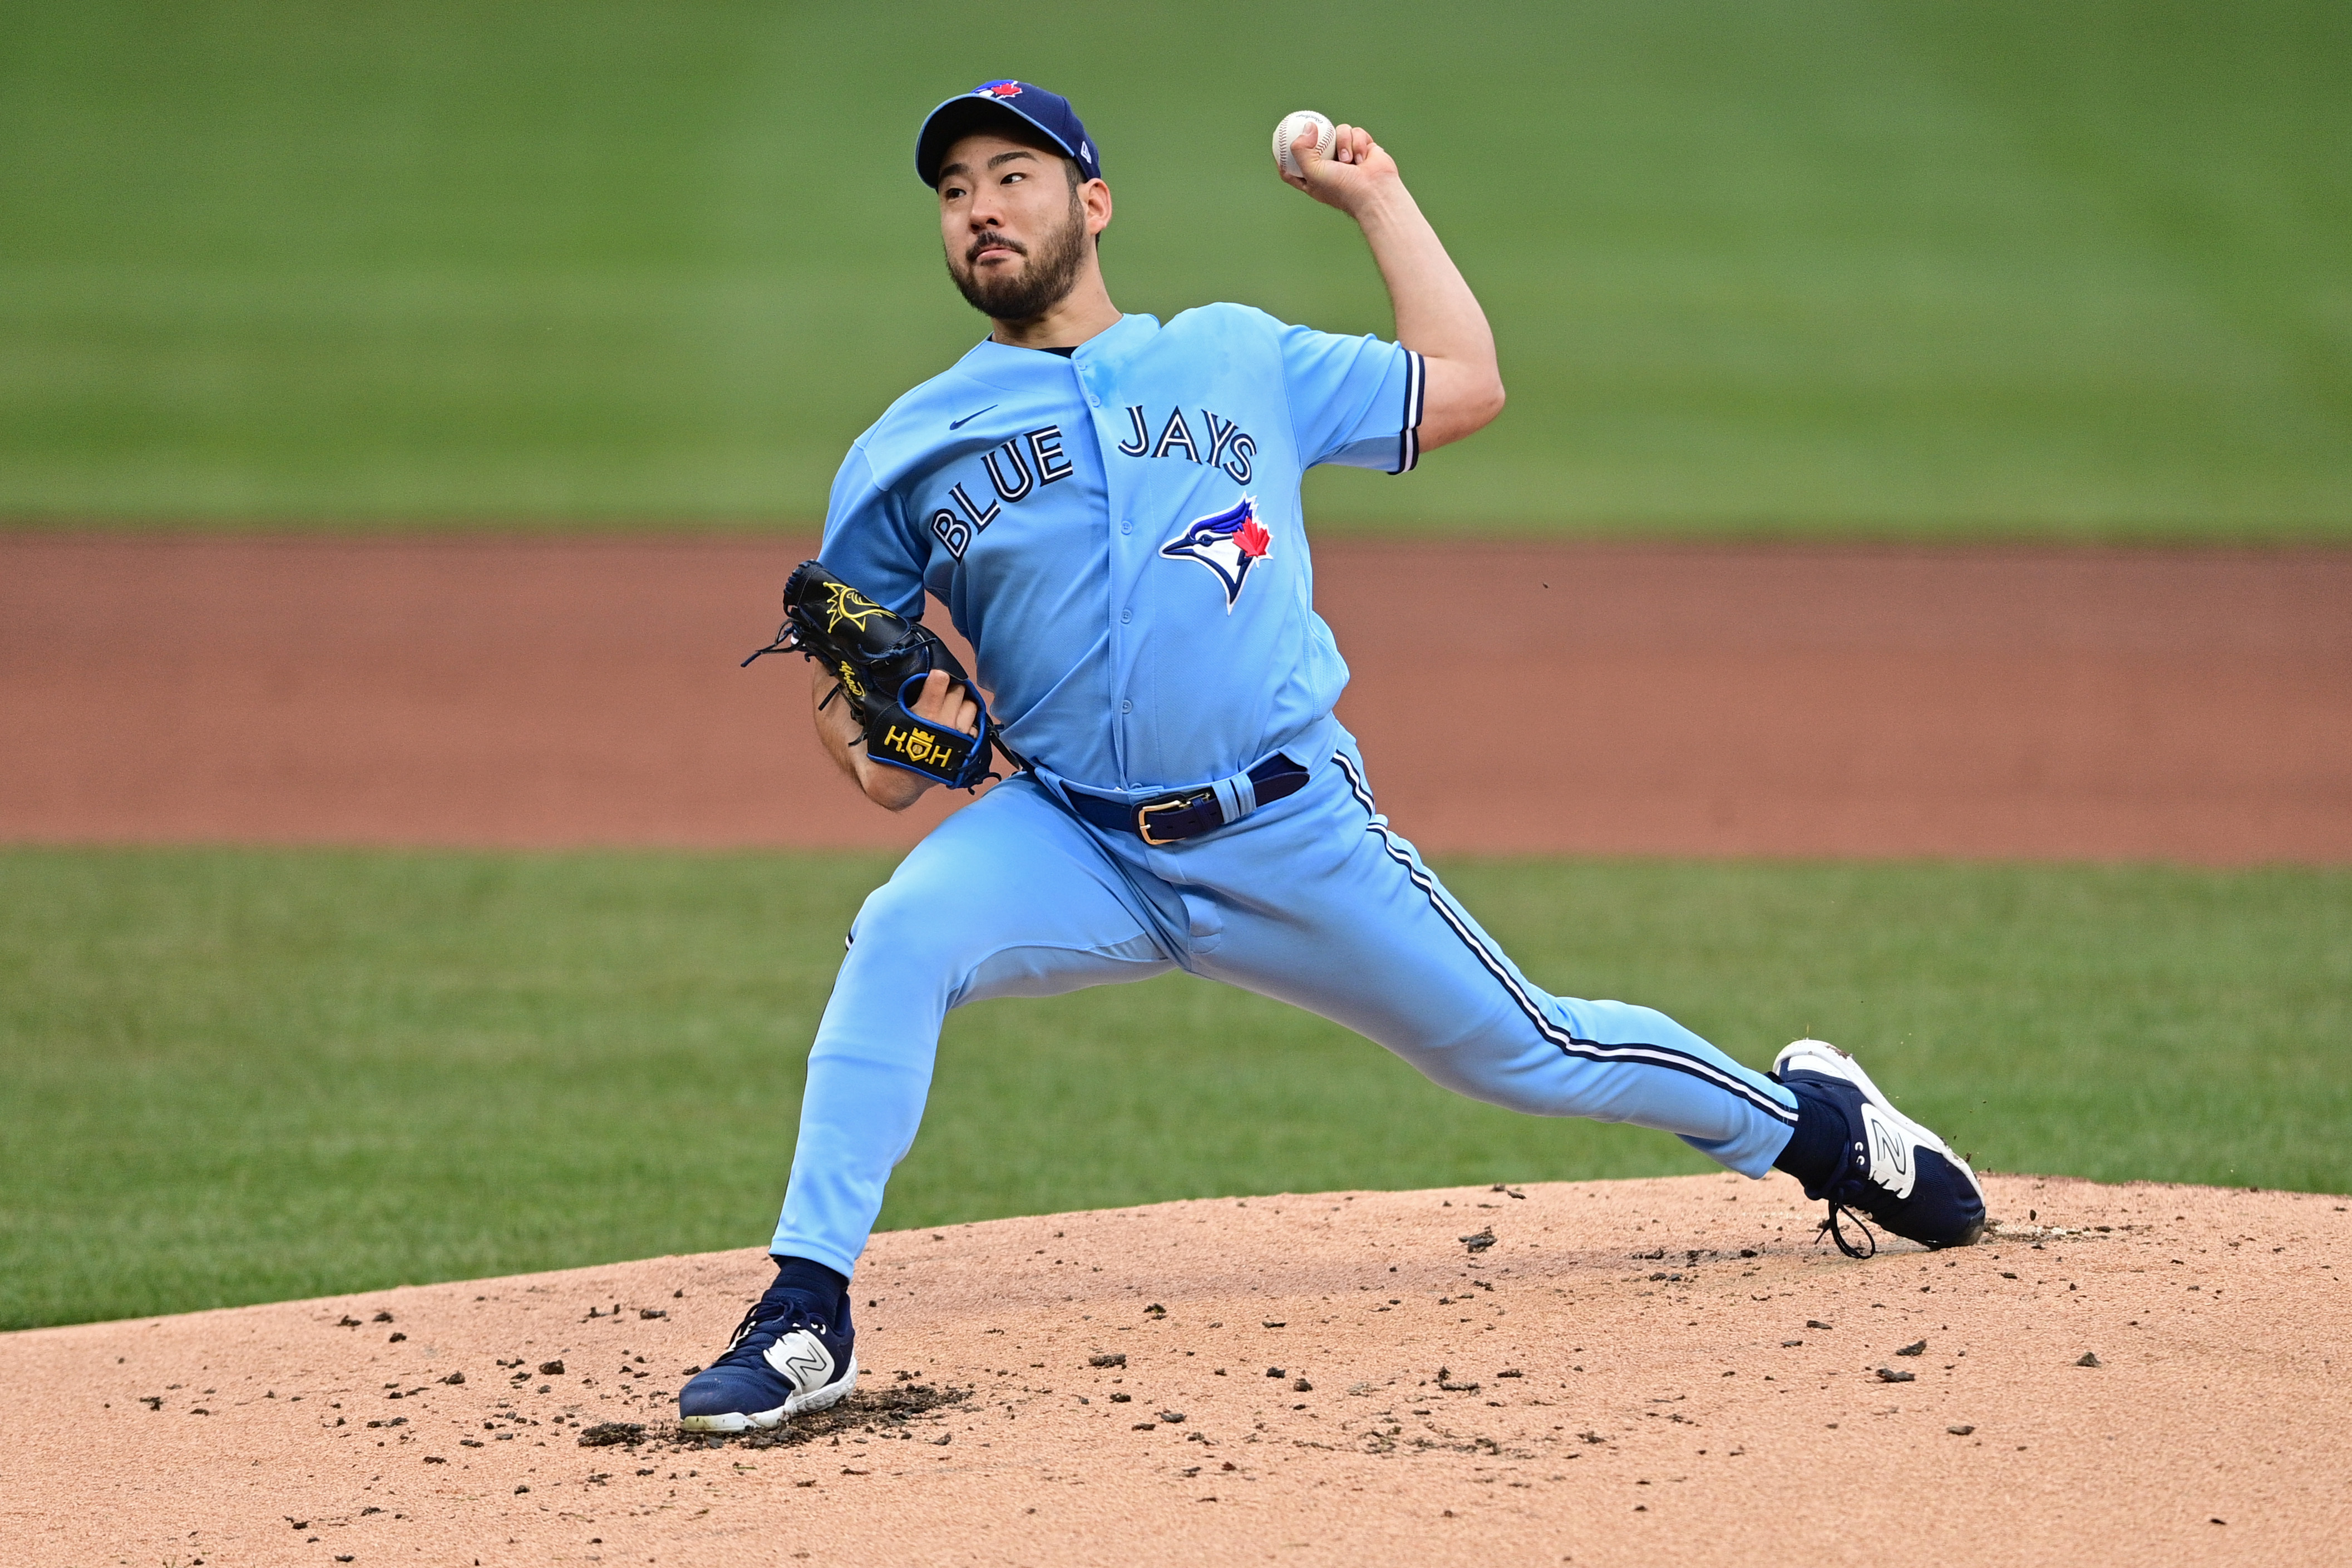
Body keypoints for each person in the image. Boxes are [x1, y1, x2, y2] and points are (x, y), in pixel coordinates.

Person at [678, 81, 1984, 1432]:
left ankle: (1821, 1129)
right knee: (899, 933)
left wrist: (1375, 198)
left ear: (1092, 202)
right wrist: (885, 741)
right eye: (953, 193)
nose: (980, 211)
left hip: (1288, 829)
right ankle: (803, 1311)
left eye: (1012, 176)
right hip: (1070, 838)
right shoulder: (906, 448)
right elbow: (864, 719)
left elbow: (1465, 385)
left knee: (1526, 1048)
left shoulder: (1237, 357)